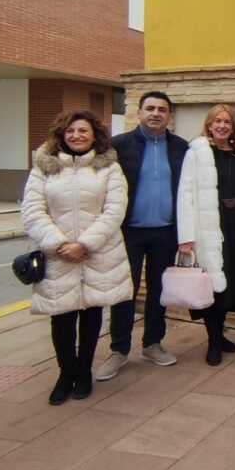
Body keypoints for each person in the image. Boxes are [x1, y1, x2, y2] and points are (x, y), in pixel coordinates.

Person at [21, 110, 133, 404]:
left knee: (92, 312)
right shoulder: (44, 168)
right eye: (70, 131)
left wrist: (85, 244)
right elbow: (32, 210)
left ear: (94, 134)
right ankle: (65, 372)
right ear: (62, 135)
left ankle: (84, 370)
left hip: (96, 252)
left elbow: (114, 211)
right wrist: (59, 244)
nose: (76, 136)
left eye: (83, 131)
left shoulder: (109, 168)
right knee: (61, 317)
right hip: (58, 255)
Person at [96, 91, 189, 381]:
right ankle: (119, 349)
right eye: (150, 108)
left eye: (162, 109)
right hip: (129, 232)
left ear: (170, 115)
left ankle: (152, 344)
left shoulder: (181, 148)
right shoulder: (119, 146)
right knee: (125, 291)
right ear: (139, 112)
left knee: (159, 292)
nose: (156, 113)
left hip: (166, 231)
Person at [177, 104, 235, 366]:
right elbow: (185, 194)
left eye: (228, 122)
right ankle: (213, 340)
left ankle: (221, 334)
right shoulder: (197, 154)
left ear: (234, 127)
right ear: (209, 124)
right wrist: (186, 237)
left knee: (232, 283)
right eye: (218, 121)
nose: (222, 126)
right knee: (211, 285)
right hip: (210, 227)